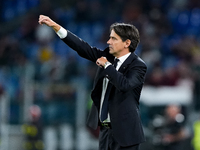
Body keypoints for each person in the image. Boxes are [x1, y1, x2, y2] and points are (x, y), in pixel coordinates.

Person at [38, 15, 147, 150]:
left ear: (127, 43)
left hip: (126, 132)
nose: (108, 42)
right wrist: (56, 27)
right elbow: (82, 47)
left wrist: (107, 66)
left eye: (113, 38)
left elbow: (125, 85)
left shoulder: (138, 66)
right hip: (106, 130)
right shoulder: (108, 57)